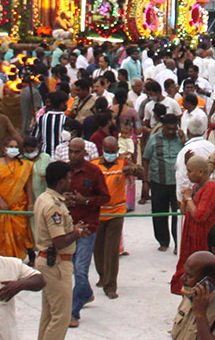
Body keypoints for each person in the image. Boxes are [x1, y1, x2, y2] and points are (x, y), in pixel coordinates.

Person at [31, 160, 90, 340]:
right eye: (67, 178)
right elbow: (59, 239)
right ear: (60, 180)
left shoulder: (46, 199)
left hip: (49, 261)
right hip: (56, 264)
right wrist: (76, 233)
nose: (70, 181)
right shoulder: (53, 205)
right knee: (60, 317)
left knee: (49, 316)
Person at [66, 137, 109, 324]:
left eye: (77, 152)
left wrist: (87, 201)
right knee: (73, 266)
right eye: (70, 151)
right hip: (68, 227)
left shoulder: (94, 172)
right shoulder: (64, 171)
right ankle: (87, 293)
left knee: (80, 270)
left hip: (87, 227)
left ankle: (73, 313)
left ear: (84, 152)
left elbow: (105, 197)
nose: (73, 155)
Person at [93, 135, 136, 298]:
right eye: (107, 151)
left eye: (113, 151)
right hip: (98, 213)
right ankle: (102, 275)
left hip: (116, 213)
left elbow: (140, 171)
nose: (110, 154)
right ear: (102, 150)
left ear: (117, 150)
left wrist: (131, 169)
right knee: (98, 249)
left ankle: (111, 285)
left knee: (111, 250)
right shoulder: (94, 165)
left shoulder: (123, 163)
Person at [172, 155, 215, 294]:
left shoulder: (211, 188)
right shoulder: (195, 187)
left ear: (201, 172)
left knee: (202, 273)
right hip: (192, 237)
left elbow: (200, 215)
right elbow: (186, 211)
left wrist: (189, 199)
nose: (187, 175)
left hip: (205, 237)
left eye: (190, 171)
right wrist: (185, 201)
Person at [0, 136, 34, 259]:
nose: (14, 149)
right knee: (0, 236)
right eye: (11, 147)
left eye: (16, 147)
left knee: (20, 234)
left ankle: (20, 261)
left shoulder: (26, 165)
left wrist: (30, 204)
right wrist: (0, 200)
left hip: (18, 207)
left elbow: (28, 187)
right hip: (0, 207)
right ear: (4, 149)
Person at [142, 113, 183, 252]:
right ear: (163, 127)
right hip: (158, 181)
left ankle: (178, 242)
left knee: (178, 214)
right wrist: (145, 182)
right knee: (159, 213)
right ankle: (163, 241)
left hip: (177, 183)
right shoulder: (154, 139)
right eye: (168, 129)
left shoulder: (182, 139)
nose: (171, 132)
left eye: (173, 128)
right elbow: (146, 159)